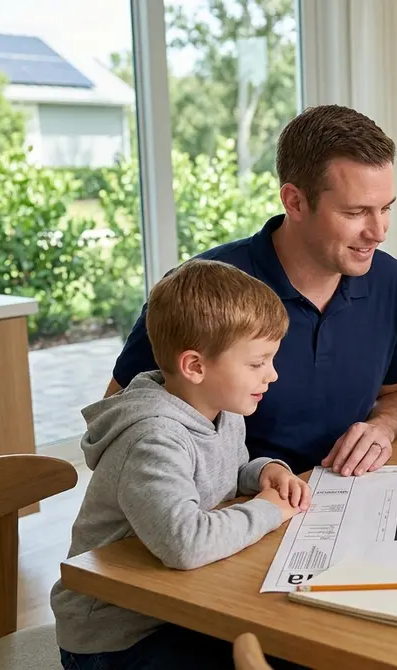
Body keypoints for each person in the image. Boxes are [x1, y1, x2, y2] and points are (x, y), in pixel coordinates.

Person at [107, 105, 397, 477]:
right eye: (355, 213)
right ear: (295, 202)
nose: (379, 231)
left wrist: (381, 428)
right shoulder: (203, 291)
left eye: (385, 208)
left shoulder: (387, 277)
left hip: (343, 497)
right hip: (224, 514)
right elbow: (118, 424)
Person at [51, 259, 310, 669]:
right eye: (257, 363)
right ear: (195, 366)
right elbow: (185, 543)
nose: (272, 375)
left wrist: (262, 471)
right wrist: (267, 511)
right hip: (116, 637)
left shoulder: (223, 412)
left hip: (178, 608)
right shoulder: (152, 439)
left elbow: (221, 475)